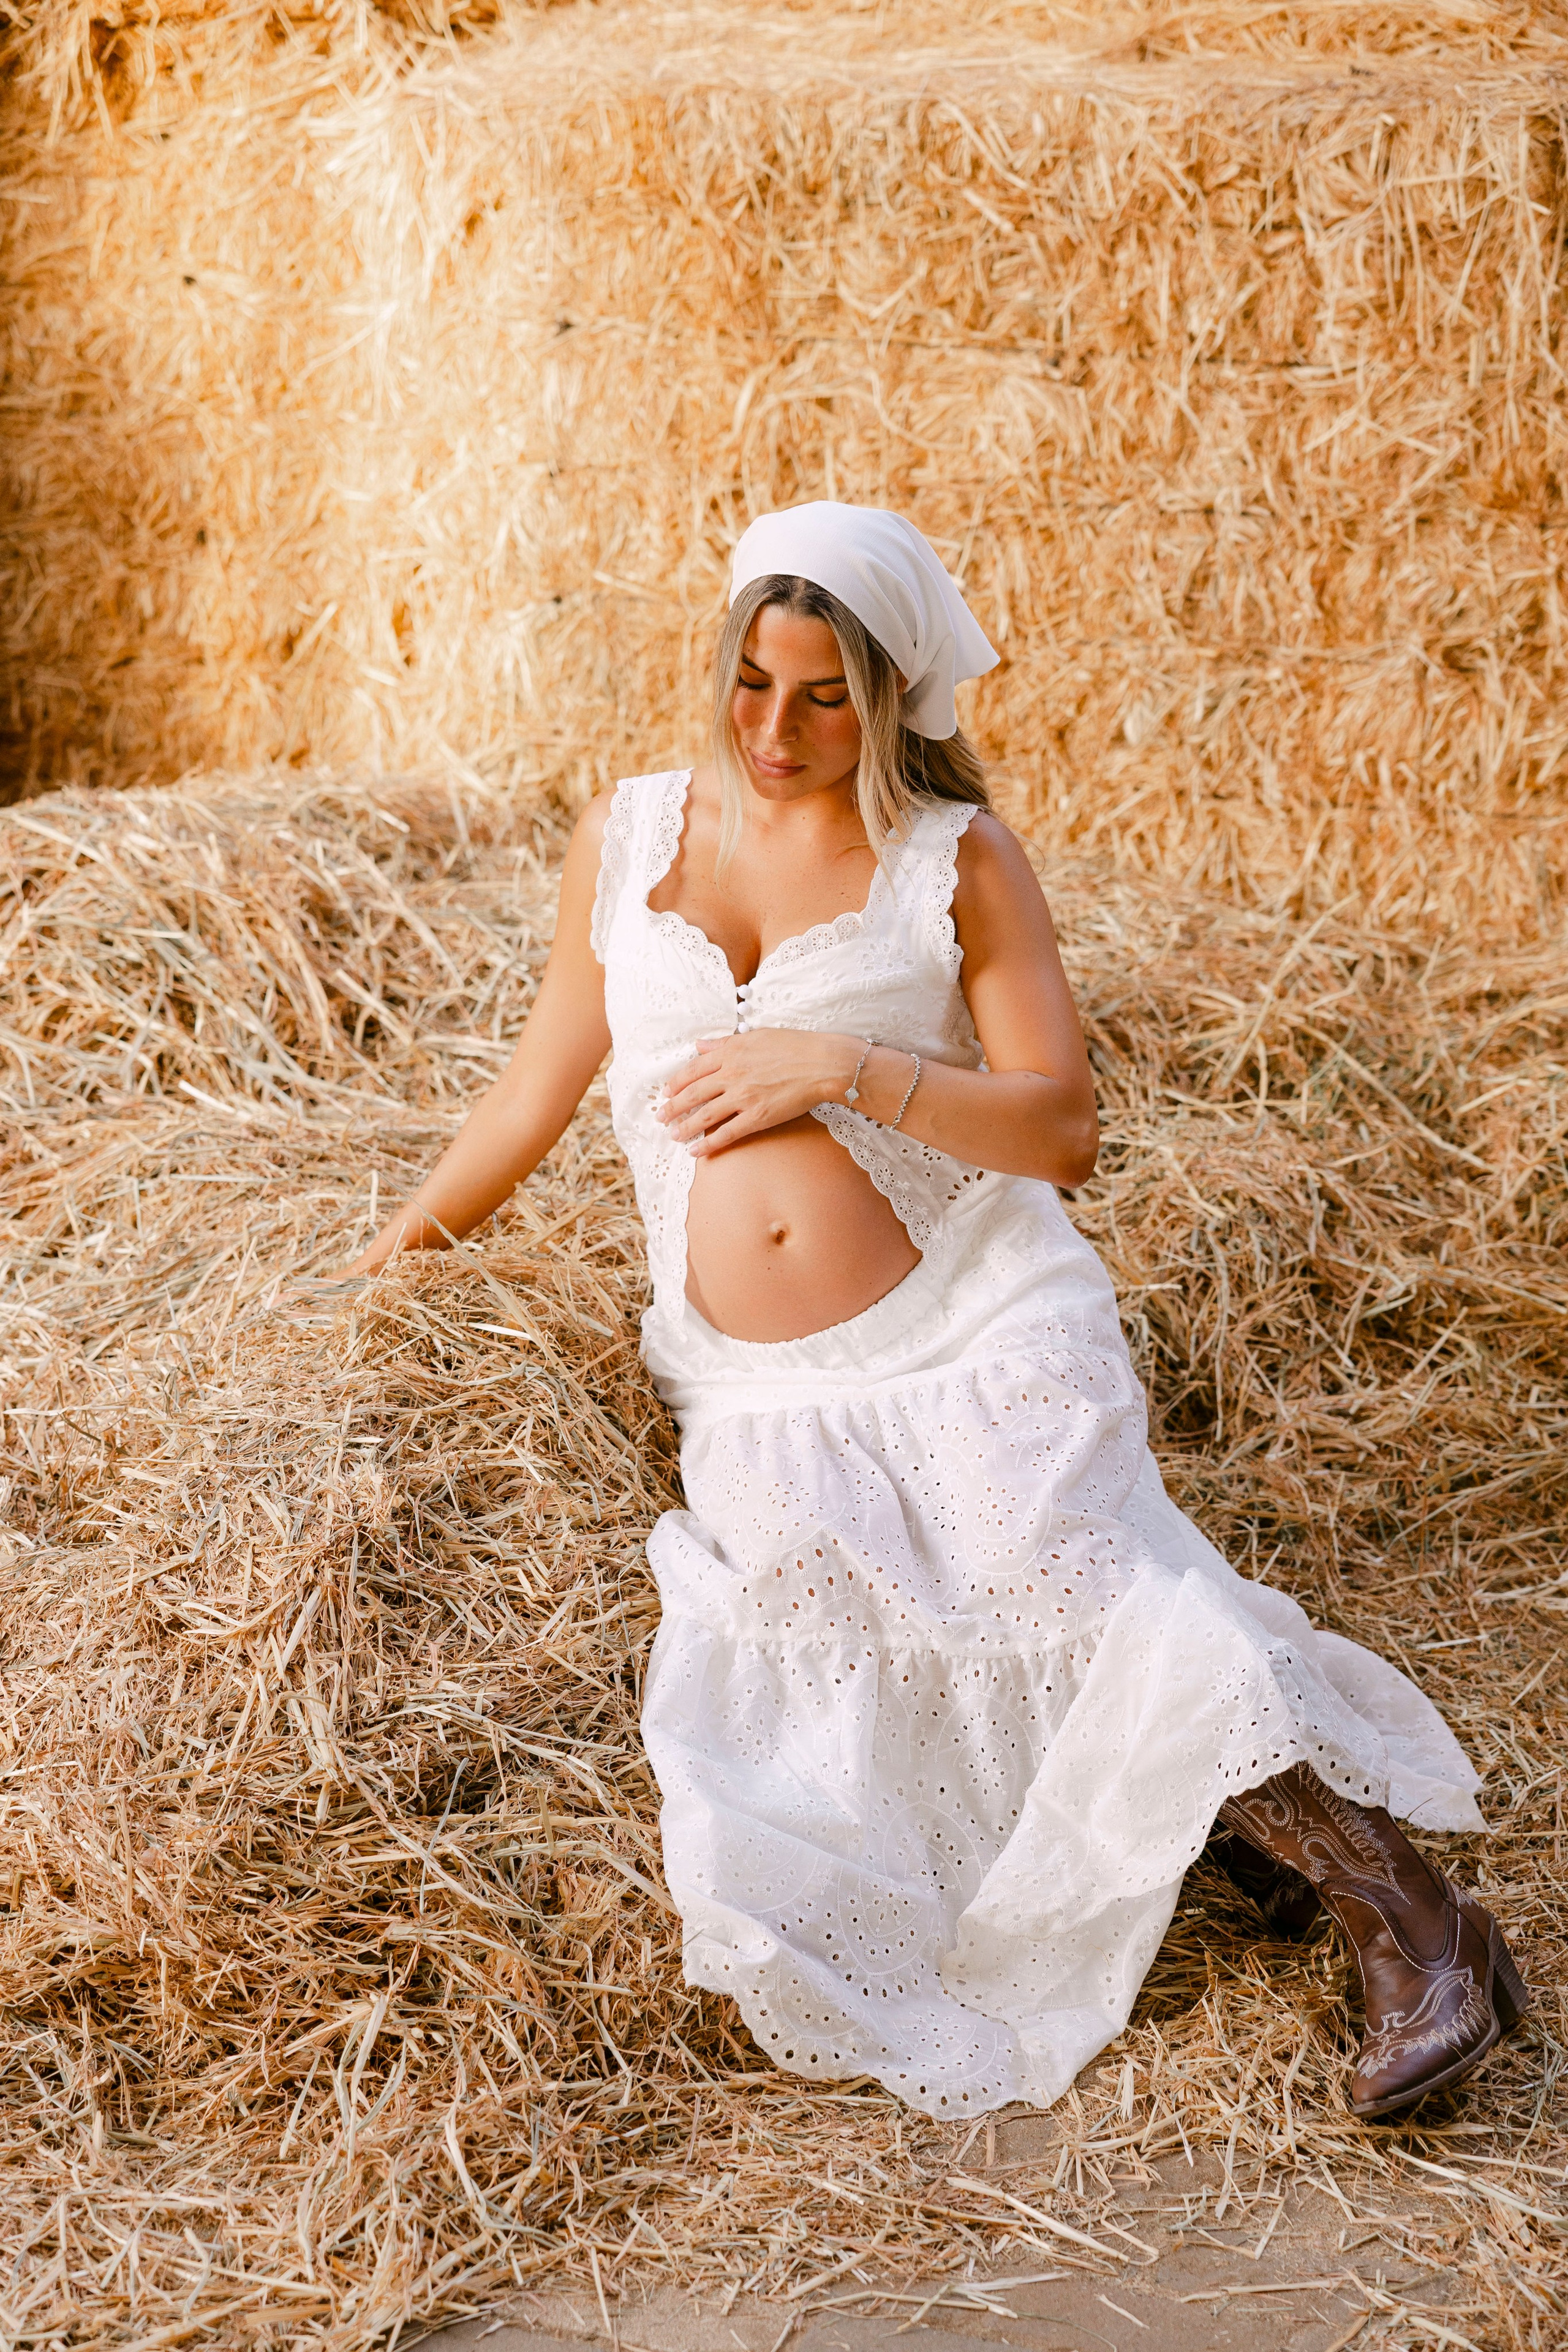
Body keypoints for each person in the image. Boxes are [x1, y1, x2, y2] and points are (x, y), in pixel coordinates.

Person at [348, 502, 1529, 2122]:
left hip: (974, 1322)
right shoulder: (630, 838)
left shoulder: (953, 860)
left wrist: (840, 1062)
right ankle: (1206, 1828)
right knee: (828, 1705)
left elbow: (1063, 1128)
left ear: (894, 694)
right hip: (759, 1389)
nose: (778, 731)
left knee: (1062, 1575)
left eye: (825, 695)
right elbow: (541, 1079)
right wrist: (389, 1261)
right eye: (754, 685)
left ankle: (1412, 1927)